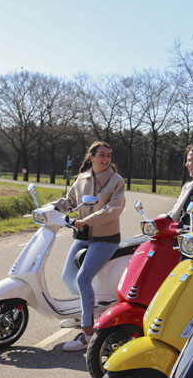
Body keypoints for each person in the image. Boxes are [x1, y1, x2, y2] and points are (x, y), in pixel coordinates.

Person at [50, 141, 126, 352]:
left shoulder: (116, 181)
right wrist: (52, 207)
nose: (106, 158)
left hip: (106, 238)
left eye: (108, 155)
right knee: (68, 276)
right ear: (91, 157)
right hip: (84, 235)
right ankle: (84, 310)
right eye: (101, 154)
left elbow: (113, 209)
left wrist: (88, 220)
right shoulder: (82, 179)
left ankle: (87, 332)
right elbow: (70, 201)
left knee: (83, 278)